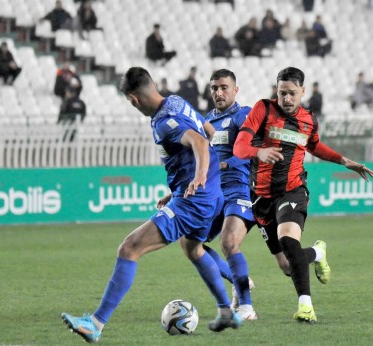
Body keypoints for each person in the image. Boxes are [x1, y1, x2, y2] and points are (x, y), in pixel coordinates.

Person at [61, 67, 243, 343]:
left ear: (133, 99)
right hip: (209, 194)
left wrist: (199, 177)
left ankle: (95, 324)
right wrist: (188, 183)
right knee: (192, 248)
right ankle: (226, 311)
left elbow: (199, 143)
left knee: (130, 247)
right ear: (153, 84)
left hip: (195, 199)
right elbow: (208, 130)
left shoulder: (163, 121)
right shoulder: (176, 101)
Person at [233, 67, 373, 323]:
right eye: (282, 93)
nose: (286, 99)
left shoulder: (309, 119)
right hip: (262, 197)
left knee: (289, 242)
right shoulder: (262, 110)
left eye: (292, 94)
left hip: (293, 189)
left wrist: (343, 161)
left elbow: (314, 146)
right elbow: (240, 145)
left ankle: (306, 306)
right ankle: (318, 253)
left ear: (303, 92)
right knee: (289, 266)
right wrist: (259, 152)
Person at [204, 69, 258, 320]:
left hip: (238, 189)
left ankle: (246, 307)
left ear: (235, 90)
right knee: (192, 243)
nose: (219, 92)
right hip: (212, 192)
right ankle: (240, 278)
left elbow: (251, 149)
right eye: (214, 88)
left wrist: (226, 164)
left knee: (228, 242)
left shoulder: (243, 115)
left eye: (224, 87)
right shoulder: (206, 121)